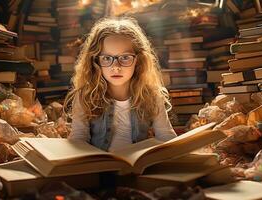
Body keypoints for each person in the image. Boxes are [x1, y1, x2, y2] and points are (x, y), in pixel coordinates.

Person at [64, 17, 177, 152]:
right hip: (99, 168)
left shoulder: (152, 95)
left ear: (138, 60)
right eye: (107, 58)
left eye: (125, 57)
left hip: (139, 168)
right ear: (95, 61)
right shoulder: (85, 96)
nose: (116, 67)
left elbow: (165, 136)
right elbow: (79, 138)